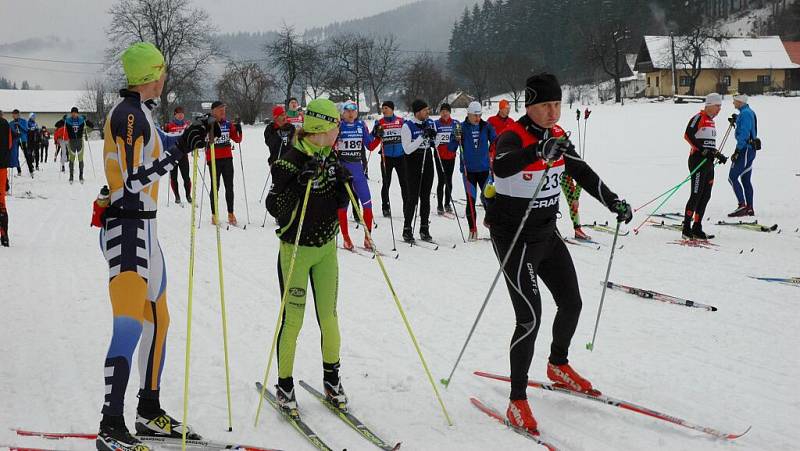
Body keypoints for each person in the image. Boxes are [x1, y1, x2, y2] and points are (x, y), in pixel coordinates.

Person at [490, 73, 633, 435]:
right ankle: (517, 400)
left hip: (547, 235)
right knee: (529, 318)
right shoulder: (513, 136)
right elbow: (501, 165)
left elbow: (582, 172)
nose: (553, 112)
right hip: (515, 238)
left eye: (557, 104)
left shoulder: (557, 137)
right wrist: (536, 152)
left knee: (572, 302)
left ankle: (558, 365)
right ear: (530, 106)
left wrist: (612, 199)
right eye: (545, 106)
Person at [97, 41, 209, 451]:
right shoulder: (126, 115)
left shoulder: (141, 113)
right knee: (128, 326)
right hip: (127, 230)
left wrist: (191, 134)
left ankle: (149, 409)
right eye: (161, 71)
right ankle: (110, 424)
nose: (165, 77)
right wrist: (180, 149)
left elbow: (161, 143)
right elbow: (129, 179)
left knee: (159, 321)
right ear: (149, 76)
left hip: (148, 231)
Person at [265, 97, 351, 415]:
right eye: (335, 124)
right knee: (294, 321)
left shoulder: (331, 154)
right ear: (320, 127)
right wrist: (300, 185)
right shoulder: (290, 159)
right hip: (296, 251)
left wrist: (344, 185)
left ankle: (332, 379)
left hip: (326, 249)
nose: (339, 128)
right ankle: (285, 386)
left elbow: (339, 203)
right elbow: (275, 208)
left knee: (329, 318)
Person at [682, 93, 728, 239]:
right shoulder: (699, 117)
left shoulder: (711, 121)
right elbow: (688, 135)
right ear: (709, 105)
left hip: (708, 163)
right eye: (717, 106)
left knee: (705, 195)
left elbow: (708, 144)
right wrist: (702, 150)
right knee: (696, 195)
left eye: (720, 106)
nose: (719, 109)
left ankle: (697, 226)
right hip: (697, 160)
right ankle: (686, 228)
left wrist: (717, 154)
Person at [335, 100, 379, 250]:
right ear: (342, 113)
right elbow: (330, 146)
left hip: (358, 169)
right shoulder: (339, 126)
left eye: (354, 110)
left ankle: (368, 238)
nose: (351, 113)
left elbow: (370, 145)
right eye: (347, 110)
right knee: (343, 205)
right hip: (343, 170)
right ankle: (346, 238)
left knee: (367, 204)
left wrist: (379, 136)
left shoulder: (361, 125)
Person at [449, 101, 496, 240]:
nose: (477, 118)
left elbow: (495, 141)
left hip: (484, 169)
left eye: (479, 115)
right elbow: (451, 148)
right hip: (468, 171)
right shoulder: (461, 127)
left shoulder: (486, 126)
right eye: (474, 115)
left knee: (490, 199)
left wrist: (494, 152)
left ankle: (492, 227)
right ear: (468, 114)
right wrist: (455, 137)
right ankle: (473, 229)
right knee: (471, 200)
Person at [400, 99, 437, 243]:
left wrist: (434, 137)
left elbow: (436, 144)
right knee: (413, 197)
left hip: (427, 159)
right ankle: (407, 229)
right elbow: (407, 149)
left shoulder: (430, 123)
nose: (427, 112)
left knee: (426, 197)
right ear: (417, 112)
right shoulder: (407, 126)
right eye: (425, 110)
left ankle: (424, 228)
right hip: (412, 162)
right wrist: (422, 136)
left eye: (428, 110)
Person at [205, 100, 243, 225]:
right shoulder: (208, 123)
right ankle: (214, 215)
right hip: (213, 158)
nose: (223, 111)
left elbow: (237, 139)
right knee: (215, 187)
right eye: (220, 109)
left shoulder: (227, 123)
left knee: (229, 186)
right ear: (213, 111)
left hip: (227, 158)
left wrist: (239, 130)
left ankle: (231, 213)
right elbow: (201, 140)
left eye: (224, 109)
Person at [372, 100, 406, 218]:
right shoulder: (379, 122)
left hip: (400, 157)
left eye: (386, 108)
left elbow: (408, 136)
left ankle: (407, 205)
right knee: (386, 183)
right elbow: (373, 136)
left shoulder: (401, 121)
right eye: (383, 108)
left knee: (404, 183)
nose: (384, 110)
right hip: (386, 157)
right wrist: (377, 132)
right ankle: (385, 207)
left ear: (392, 109)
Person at [727, 94, 758, 217]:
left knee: (732, 177)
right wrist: (737, 118)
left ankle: (742, 206)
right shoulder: (746, 112)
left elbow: (745, 133)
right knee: (745, 179)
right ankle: (749, 207)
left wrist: (737, 151)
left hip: (745, 149)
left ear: (740, 102)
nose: (733, 103)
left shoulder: (745, 114)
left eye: (734, 101)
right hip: (750, 150)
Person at [163, 106, 192, 204]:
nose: (180, 116)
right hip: (172, 155)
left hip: (183, 155)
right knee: (174, 177)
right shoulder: (169, 125)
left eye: (182, 114)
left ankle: (188, 195)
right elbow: (164, 138)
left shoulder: (186, 125)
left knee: (186, 177)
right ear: (175, 115)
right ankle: (177, 196)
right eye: (178, 114)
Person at [433, 103, 456, 216]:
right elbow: (432, 140)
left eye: (446, 111)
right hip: (439, 156)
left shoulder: (455, 123)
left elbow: (459, 136)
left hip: (451, 156)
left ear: (449, 112)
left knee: (449, 180)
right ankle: (440, 205)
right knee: (441, 180)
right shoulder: (436, 124)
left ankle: (447, 203)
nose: (444, 113)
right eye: (442, 111)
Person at [65, 106, 95, 183]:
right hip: (71, 142)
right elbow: (57, 125)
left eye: (75, 113)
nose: (74, 114)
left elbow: (92, 125)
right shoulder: (68, 121)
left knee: (80, 159)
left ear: (77, 113)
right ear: (71, 113)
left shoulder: (82, 120)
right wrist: (62, 119)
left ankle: (81, 176)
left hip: (79, 142)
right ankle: (71, 177)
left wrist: (86, 120)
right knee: (71, 159)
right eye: (72, 113)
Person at [0, 110, 11, 247]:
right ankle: (4, 235)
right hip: (2, 166)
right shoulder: (5, 124)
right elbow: (9, 144)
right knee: (1, 201)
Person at [10, 109, 29, 176]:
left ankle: (31, 170)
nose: (13, 116)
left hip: (22, 139)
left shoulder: (23, 121)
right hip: (15, 140)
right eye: (12, 115)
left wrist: (19, 125)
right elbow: (10, 132)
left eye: (14, 115)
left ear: (18, 115)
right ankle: (19, 170)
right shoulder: (11, 123)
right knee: (16, 155)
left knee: (26, 154)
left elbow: (26, 129)